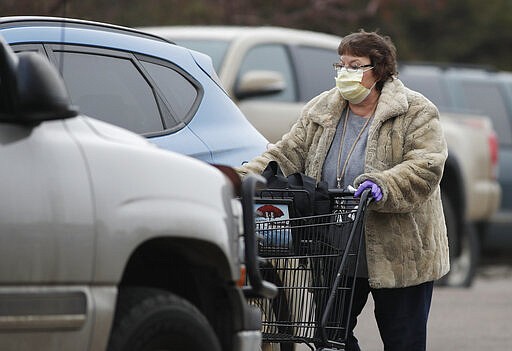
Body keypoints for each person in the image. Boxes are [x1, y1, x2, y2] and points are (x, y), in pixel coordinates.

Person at [238, 29, 449, 351]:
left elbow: (427, 164)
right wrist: (242, 177)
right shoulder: (323, 109)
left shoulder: (415, 111)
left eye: (355, 65)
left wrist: (383, 183)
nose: (344, 73)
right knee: (330, 338)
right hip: (335, 247)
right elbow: (285, 153)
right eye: (340, 65)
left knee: (403, 340)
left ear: (378, 70)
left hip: (400, 253)